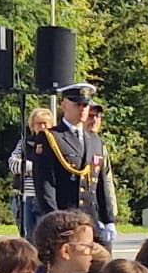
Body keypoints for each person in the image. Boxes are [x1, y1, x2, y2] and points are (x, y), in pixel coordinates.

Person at [33, 85, 116, 247]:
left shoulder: (95, 140)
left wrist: (108, 219)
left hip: (91, 220)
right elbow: (45, 185)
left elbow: (101, 184)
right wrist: (55, 220)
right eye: (77, 104)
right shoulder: (51, 137)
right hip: (65, 219)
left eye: (85, 105)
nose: (82, 109)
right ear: (64, 105)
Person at [9, 109, 53, 237]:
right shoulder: (25, 143)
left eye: (45, 123)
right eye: (38, 123)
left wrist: (31, 169)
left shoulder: (56, 144)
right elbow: (13, 164)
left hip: (46, 197)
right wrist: (33, 167)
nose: (42, 127)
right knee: (28, 236)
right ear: (32, 126)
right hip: (27, 197)